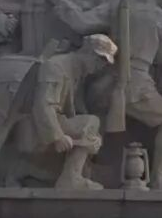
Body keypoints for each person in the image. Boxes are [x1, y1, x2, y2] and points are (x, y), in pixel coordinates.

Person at [47, 0, 162, 189]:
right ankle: (159, 177)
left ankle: (75, 172)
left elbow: (81, 22)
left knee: (95, 125)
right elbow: (161, 58)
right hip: (137, 82)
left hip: (103, 82)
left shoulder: (116, 8)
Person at [30, 35, 117, 190]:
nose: (101, 66)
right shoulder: (56, 67)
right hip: (36, 127)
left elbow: (76, 110)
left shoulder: (76, 72)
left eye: (104, 62)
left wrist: (94, 138)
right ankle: (70, 178)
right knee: (92, 122)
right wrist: (57, 136)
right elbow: (43, 105)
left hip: (55, 122)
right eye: (99, 59)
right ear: (87, 51)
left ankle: (79, 173)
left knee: (92, 125)